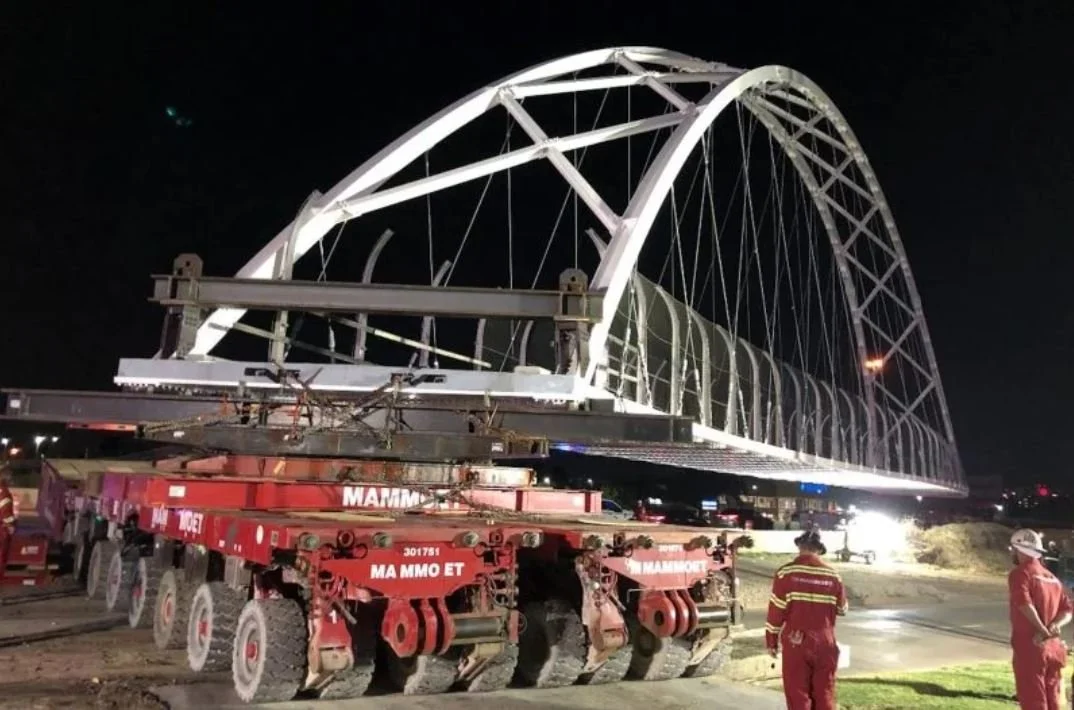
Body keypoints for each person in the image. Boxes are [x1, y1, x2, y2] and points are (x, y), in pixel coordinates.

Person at [765, 529, 847, 710]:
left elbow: (776, 612)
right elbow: (842, 609)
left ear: (800, 548)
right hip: (826, 642)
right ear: (819, 550)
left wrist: (771, 641)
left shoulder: (785, 573)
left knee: (798, 694)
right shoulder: (834, 576)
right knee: (824, 693)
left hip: (796, 641)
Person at [1008, 528, 1072, 710]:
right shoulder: (1052, 578)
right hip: (1054, 649)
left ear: (1019, 549)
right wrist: (1054, 626)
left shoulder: (1020, 573)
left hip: (1031, 646)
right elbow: (1067, 610)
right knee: (1053, 699)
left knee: (1033, 699)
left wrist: (1042, 631)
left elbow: (1024, 604)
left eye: (1013, 549)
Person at [0, 468, 16, 574]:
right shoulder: (4, 492)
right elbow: (6, 513)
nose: (11, 479)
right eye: (9, 476)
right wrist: (11, 525)